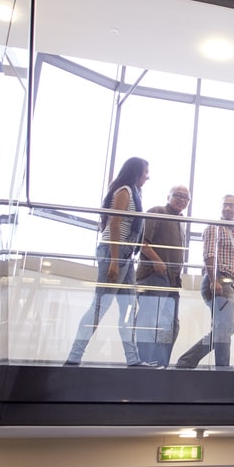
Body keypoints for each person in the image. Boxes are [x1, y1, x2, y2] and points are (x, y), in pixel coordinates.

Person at [65, 157, 149, 367]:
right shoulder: (124, 191)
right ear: (136, 172)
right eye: (145, 172)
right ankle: (73, 358)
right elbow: (115, 224)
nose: (148, 176)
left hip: (126, 257)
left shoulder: (135, 193)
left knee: (129, 308)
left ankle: (133, 360)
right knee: (99, 307)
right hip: (115, 254)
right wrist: (113, 260)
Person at [175, 194, 234, 370]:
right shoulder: (214, 228)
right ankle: (191, 362)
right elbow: (209, 255)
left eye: (231, 206)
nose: (227, 208)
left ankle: (219, 367)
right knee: (224, 328)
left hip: (229, 282)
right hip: (217, 280)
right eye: (224, 205)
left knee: (224, 329)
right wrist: (213, 279)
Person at [134, 185, 190, 367]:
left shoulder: (181, 221)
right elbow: (142, 241)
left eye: (185, 197)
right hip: (153, 276)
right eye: (178, 195)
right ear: (168, 196)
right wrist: (158, 262)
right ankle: (145, 362)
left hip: (173, 281)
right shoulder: (157, 211)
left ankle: (161, 363)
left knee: (171, 325)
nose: (182, 199)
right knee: (149, 320)